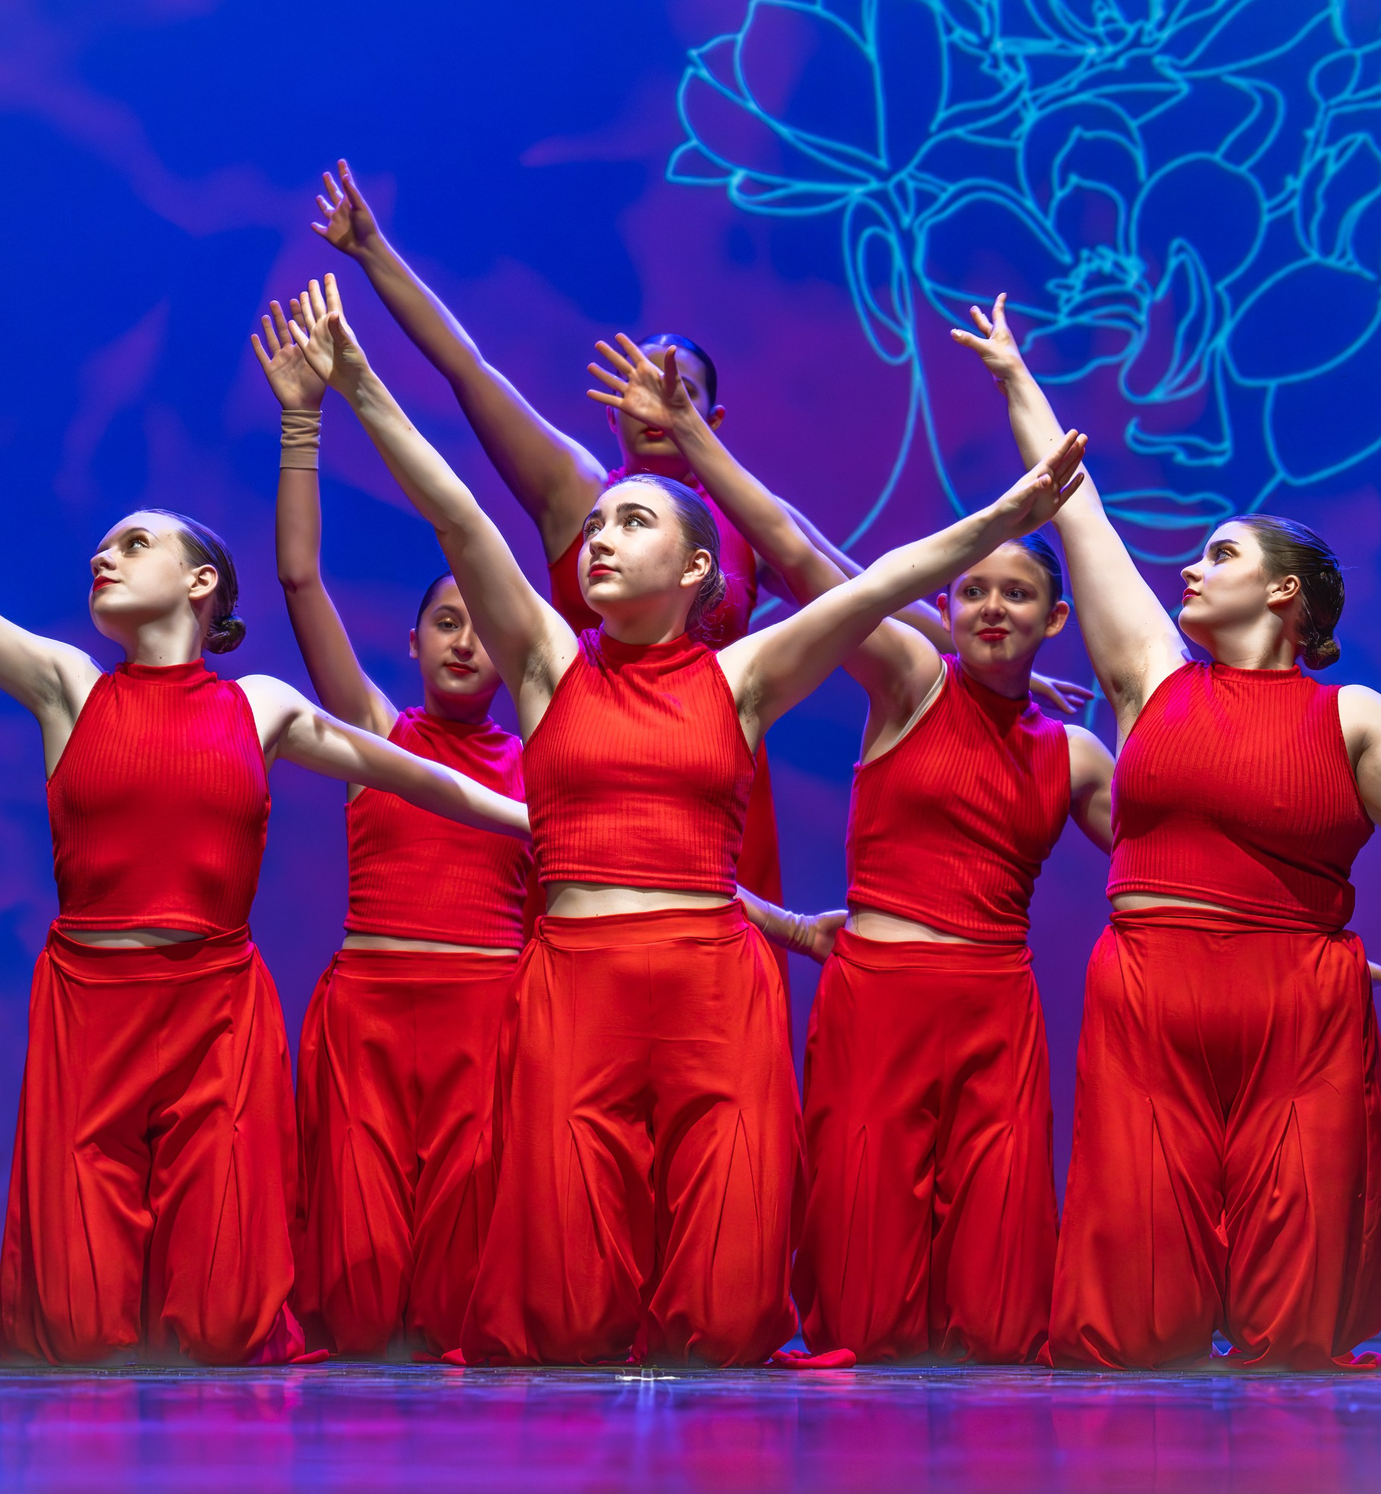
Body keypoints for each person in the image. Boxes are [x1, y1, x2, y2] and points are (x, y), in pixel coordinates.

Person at [286, 274, 1087, 1366]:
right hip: (575, 973)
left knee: (719, 1309)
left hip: (712, 975)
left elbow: (866, 583)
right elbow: (459, 515)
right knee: (564, 1311)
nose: (601, 537)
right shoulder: (546, 663)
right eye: (599, 521)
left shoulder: (744, 673)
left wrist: (1003, 520)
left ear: (696, 567)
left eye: (633, 520)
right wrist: (362, 385)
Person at [0, 398, 529, 1368]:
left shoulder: (258, 706)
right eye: (100, 548)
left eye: (133, 543)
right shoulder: (66, 685)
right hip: (91, 1007)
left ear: (199, 581)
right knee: (84, 1330)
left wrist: (529, 818)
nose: (105, 558)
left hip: (216, 1010)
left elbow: (416, 776)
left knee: (221, 1323)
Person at [946, 295, 1381, 1373]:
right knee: (1134, 1331)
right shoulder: (1150, 677)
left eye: (1217, 553)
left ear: (1280, 590)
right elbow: (1074, 504)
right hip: (1149, 991)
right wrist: (1013, 379)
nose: (1188, 566)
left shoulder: (1355, 719)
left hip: (1297, 1007)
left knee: (1291, 1335)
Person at [305, 161, 1094, 918]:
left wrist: (983, 659)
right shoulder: (577, 492)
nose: (651, 398)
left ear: (708, 419)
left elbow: (860, 590)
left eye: (674, 387)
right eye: (636, 384)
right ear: (610, 407)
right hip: (591, 761)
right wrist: (374, 252)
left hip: (713, 769)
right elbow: (467, 369)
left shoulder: (745, 520)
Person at [586, 337, 1111, 1362]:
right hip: (879, 998)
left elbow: (1178, 869)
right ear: (946, 609)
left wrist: (1299, 944)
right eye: (973, 593)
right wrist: (689, 436)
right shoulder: (909, 678)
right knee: (864, 1319)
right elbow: (791, 548)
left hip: (996, 1007)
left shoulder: (1078, 756)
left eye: (1016, 595)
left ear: (1056, 618)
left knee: (1001, 1327)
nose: (991, 608)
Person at [252, 308, 535, 1359]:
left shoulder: (540, 762)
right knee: (364, 1308)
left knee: (464, 1299)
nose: (466, 640)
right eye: (444, 623)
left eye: (482, 626)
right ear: (412, 645)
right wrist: (300, 423)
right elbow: (297, 581)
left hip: (488, 1017)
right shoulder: (373, 733)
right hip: (369, 1016)